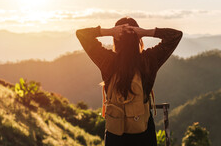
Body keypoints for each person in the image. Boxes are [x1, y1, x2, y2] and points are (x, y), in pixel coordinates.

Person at [76, 17, 182, 146]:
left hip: (116, 133)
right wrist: (145, 32)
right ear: (138, 39)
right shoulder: (149, 60)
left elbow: (81, 34)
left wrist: (110, 31)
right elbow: (176, 35)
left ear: (115, 39)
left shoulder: (107, 61)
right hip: (143, 132)